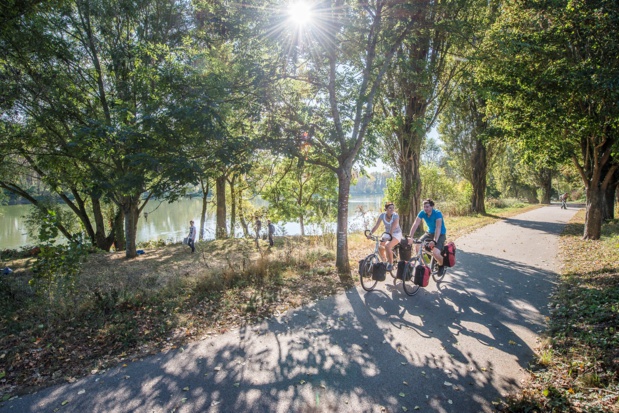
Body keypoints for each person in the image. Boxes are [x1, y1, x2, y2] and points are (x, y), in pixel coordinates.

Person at [408, 198, 447, 276]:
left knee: (435, 253)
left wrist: (435, 241)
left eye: (427, 207)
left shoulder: (437, 213)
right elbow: (416, 224)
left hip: (440, 234)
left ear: (432, 206)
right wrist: (410, 236)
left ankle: (441, 265)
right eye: (424, 207)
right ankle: (423, 266)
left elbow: (438, 227)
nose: (425, 208)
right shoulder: (422, 213)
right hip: (429, 233)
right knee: (418, 245)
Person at [367, 202, 402, 271]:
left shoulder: (395, 216)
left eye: (393, 208)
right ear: (386, 209)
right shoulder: (382, 215)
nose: (392, 209)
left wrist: (389, 237)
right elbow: (376, 225)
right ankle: (384, 262)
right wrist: (370, 234)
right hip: (387, 233)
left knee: (387, 245)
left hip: (396, 233)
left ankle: (391, 264)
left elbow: (393, 226)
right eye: (390, 208)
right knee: (380, 247)